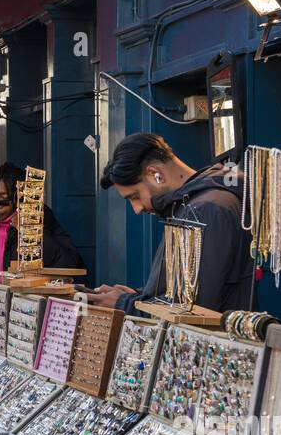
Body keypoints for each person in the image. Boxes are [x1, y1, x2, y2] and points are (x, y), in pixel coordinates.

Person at [94, 132, 254, 313]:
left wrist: (127, 304)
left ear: (156, 174)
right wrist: (140, 297)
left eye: (135, 196)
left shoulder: (203, 210)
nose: (137, 209)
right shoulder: (201, 205)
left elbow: (192, 310)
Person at [0, 162, 84, 281]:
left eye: (3, 198)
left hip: (18, 302)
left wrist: (30, 231)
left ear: (18, 197)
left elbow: (70, 261)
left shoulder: (38, 216)